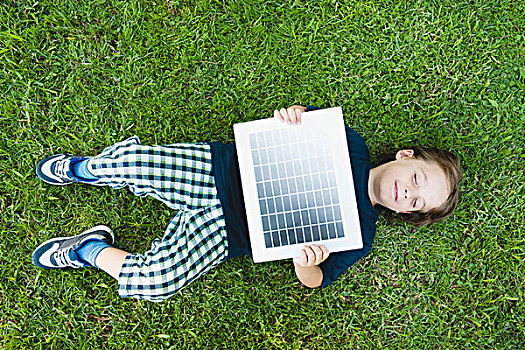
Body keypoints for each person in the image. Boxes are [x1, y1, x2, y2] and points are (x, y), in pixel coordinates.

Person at [31, 105, 463, 302]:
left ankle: (89, 250)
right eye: (417, 180)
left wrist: (304, 262)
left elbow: (314, 281)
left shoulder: (360, 234)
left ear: (408, 214)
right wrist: (290, 118)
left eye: (418, 202)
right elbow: (293, 123)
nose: (409, 193)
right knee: (134, 161)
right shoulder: (348, 142)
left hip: (229, 232)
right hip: (218, 172)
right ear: (405, 157)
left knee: (155, 284)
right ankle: (88, 169)